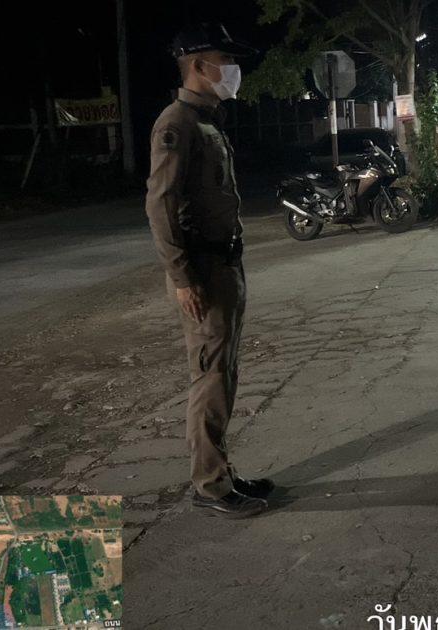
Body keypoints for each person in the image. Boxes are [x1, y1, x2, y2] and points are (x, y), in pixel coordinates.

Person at [144, 23, 274, 518]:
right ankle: (210, 485)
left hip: (223, 264)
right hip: (201, 270)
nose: (233, 70)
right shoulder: (176, 123)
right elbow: (160, 206)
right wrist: (183, 279)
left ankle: (221, 471)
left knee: (224, 372)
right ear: (199, 66)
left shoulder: (206, 121)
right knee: (210, 378)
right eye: (226, 60)